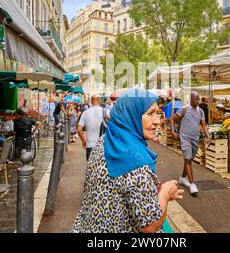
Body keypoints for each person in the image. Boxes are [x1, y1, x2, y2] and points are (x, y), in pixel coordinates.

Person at [72, 89, 184, 233]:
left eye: (158, 113)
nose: (157, 121)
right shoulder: (135, 163)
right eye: (150, 113)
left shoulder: (106, 141)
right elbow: (149, 226)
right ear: (131, 115)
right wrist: (165, 193)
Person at [171, 92, 210, 195]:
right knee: (187, 159)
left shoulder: (201, 111)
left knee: (189, 160)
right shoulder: (183, 109)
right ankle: (192, 184)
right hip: (184, 138)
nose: (197, 101)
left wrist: (207, 136)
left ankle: (183, 178)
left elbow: (204, 125)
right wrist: (173, 131)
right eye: (195, 99)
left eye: (198, 99)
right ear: (191, 99)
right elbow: (172, 119)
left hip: (195, 139)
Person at [76, 94, 110, 161]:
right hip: (103, 145)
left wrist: (83, 140)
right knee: (102, 168)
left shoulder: (85, 113)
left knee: (91, 169)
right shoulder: (106, 111)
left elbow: (79, 129)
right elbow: (114, 125)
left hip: (90, 145)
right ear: (100, 101)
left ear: (91, 101)